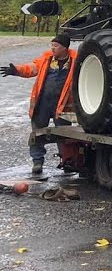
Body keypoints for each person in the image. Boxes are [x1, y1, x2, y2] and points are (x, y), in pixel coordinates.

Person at [1, 32, 78, 175]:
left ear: (65, 48)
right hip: (42, 103)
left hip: (62, 105)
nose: (52, 48)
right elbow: (31, 68)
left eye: (56, 46)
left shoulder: (76, 60)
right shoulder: (46, 58)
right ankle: (37, 162)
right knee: (37, 133)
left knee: (64, 134)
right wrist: (16, 70)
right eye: (52, 45)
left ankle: (67, 161)